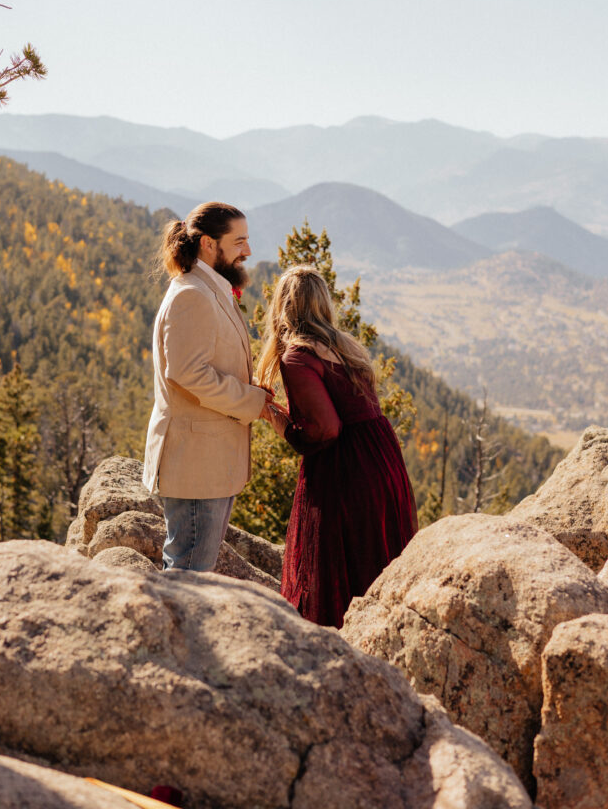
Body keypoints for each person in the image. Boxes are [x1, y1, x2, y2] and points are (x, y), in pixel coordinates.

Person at [257, 265, 418, 628]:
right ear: (323, 304)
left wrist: (277, 420)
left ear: (281, 307)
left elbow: (324, 430)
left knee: (335, 568)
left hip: (345, 468)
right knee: (377, 556)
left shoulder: (297, 356)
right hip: (382, 459)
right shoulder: (345, 347)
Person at [143, 202, 272, 571]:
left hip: (206, 461)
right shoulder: (191, 295)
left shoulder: (208, 288)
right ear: (207, 244)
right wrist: (251, 401)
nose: (247, 251)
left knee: (193, 569)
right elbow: (189, 374)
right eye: (239, 241)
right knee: (189, 575)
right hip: (195, 462)